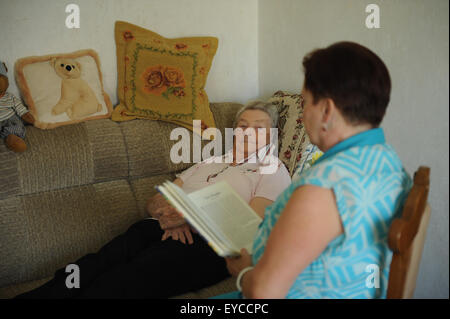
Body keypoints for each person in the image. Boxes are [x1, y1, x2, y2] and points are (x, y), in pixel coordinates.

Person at [15, 101, 291, 299]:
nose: (247, 131)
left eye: (258, 127)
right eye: (242, 125)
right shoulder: (211, 161)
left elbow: (247, 225)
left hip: (208, 247)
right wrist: (167, 215)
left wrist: (188, 220)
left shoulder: (272, 168)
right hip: (158, 227)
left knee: (124, 279)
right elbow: (156, 200)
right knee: (96, 262)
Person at [216, 42, 412, 299]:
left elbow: (264, 293)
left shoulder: (325, 186)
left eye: (306, 102)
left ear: (327, 110)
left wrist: (243, 272)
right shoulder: (389, 161)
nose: (303, 113)